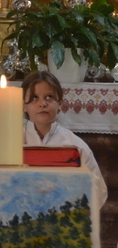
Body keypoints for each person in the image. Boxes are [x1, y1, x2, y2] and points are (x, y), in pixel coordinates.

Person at [22, 71, 107, 207]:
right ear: (24, 106)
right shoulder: (12, 143)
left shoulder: (76, 146)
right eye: (34, 98)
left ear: (60, 103)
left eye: (49, 97)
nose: (42, 104)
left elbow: (98, 191)